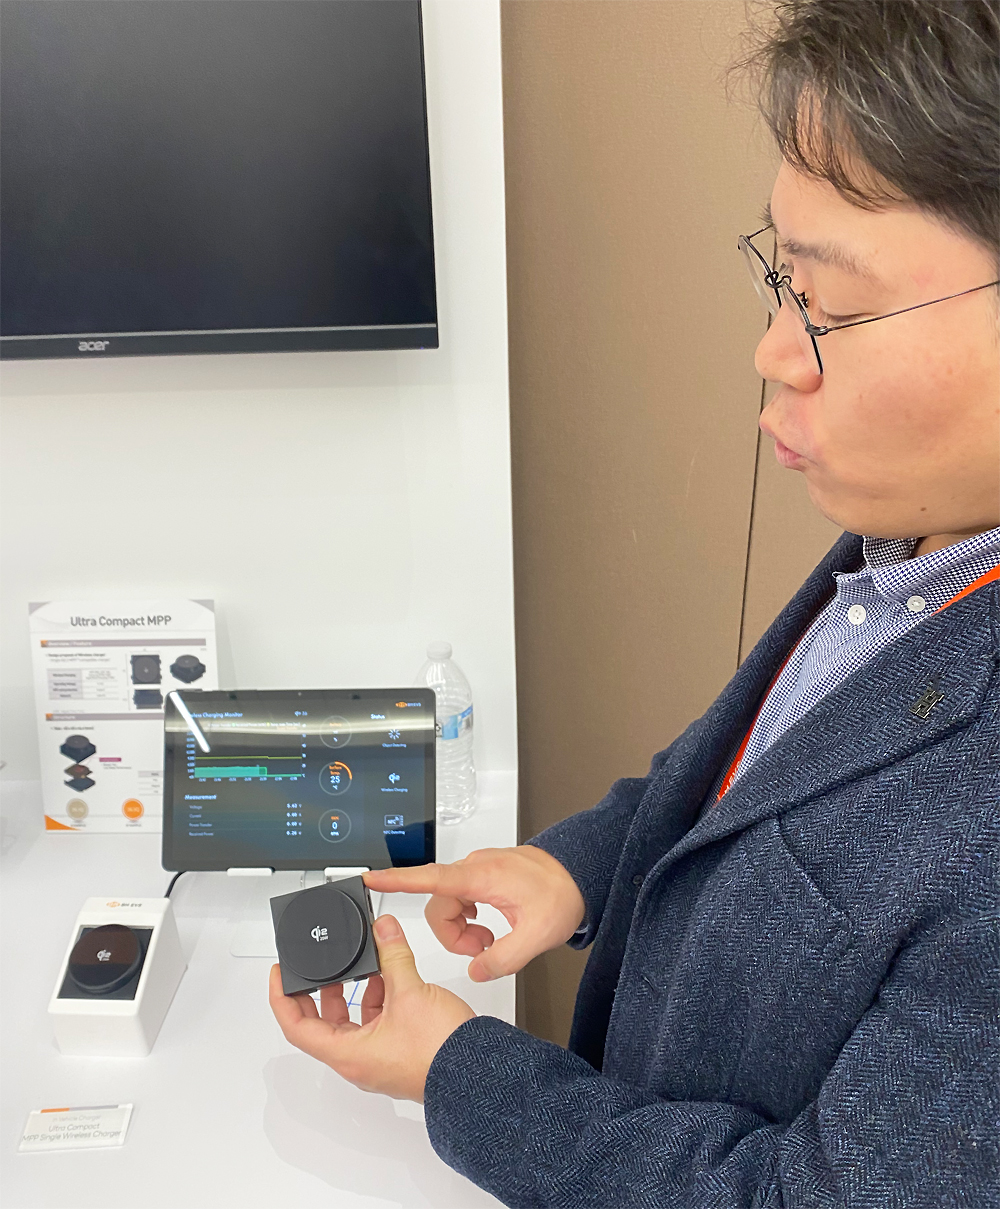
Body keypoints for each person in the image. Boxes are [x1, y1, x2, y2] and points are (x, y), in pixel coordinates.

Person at [269, 2, 1000, 1204]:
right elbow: (754, 777)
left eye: (831, 305)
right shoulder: (924, 533)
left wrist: (455, 1072)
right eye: (781, 278)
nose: (774, 350)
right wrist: (574, 871)